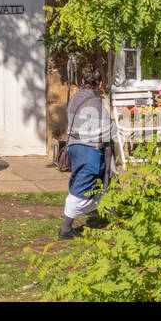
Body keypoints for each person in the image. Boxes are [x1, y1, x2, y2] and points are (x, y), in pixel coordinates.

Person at [60, 67, 116, 239]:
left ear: (82, 82)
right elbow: (107, 131)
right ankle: (66, 229)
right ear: (100, 83)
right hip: (88, 150)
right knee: (82, 186)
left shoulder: (75, 98)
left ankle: (98, 213)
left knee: (88, 180)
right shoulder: (97, 103)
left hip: (74, 148)